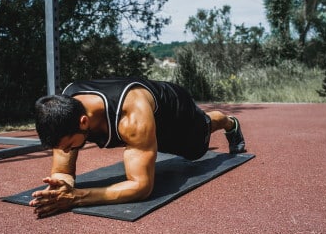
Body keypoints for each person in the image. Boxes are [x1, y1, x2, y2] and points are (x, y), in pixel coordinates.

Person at [29, 77, 245, 218]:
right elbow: (63, 171)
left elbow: (141, 187)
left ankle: (228, 122)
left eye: (68, 147)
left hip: (177, 114)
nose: (66, 152)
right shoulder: (65, 111)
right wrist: (61, 186)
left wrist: (75, 197)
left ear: (84, 122)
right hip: (145, 120)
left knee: (196, 150)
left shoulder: (131, 117)